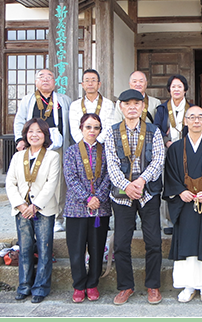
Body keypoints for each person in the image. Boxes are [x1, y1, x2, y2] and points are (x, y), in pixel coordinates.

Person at [104, 89, 165, 305]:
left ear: (142, 107)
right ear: (121, 107)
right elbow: (111, 165)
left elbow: (158, 160)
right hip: (122, 196)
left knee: (154, 242)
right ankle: (125, 286)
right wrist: (127, 186)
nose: (132, 107)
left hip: (148, 193)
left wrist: (140, 182)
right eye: (127, 103)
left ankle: (153, 286)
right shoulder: (111, 132)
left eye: (136, 104)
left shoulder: (153, 131)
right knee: (121, 243)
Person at [163, 106, 202, 303]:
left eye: (200, 117)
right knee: (187, 243)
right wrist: (180, 191)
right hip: (185, 204)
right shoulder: (175, 148)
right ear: (185, 121)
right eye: (192, 117)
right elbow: (170, 175)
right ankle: (188, 285)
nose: (196, 121)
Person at [5, 118, 61, 304]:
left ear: (45, 135)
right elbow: (10, 183)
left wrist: (35, 206)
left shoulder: (52, 157)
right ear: (25, 134)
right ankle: (24, 286)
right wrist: (21, 205)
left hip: (43, 209)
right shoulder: (18, 157)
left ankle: (41, 287)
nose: (34, 135)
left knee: (44, 248)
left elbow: (51, 184)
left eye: (39, 131)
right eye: (30, 131)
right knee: (25, 248)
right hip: (22, 209)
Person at [13, 69, 72, 232]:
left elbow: (71, 123)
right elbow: (19, 121)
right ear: (36, 82)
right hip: (34, 145)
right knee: (33, 179)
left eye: (49, 77)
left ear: (55, 82)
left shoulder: (64, 100)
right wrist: (20, 139)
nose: (45, 80)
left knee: (59, 182)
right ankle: (31, 212)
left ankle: (58, 218)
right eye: (41, 77)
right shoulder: (28, 100)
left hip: (58, 145)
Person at [63, 113, 112, 303]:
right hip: (76, 208)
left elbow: (109, 176)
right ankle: (78, 285)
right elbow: (71, 178)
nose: (92, 131)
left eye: (96, 128)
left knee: (97, 248)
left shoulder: (106, 151)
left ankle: (92, 283)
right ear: (81, 128)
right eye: (88, 127)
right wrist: (87, 197)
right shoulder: (71, 151)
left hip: (100, 208)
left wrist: (98, 197)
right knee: (76, 250)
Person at [154, 75, 193, 234]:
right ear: (169, 89)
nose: (176, 89)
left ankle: (185, 218)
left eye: (180, 86)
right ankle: (167, 222)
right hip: (167, 150)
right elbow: (156, 129)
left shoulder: (191, 108)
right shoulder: (162, 109)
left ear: (185, 89)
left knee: (186, 183)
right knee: (168, 184)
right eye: (173, 86)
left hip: (186, 151)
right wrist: (166, 140)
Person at [69, 69, 115, 144]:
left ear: (99, 84)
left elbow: (109, 127)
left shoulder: (108, 104)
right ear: (83, 85)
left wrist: (97, 143)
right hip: (81, 145)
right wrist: (85, 143)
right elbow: (74, 129)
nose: (90, 83)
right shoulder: (75, 105)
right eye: (87, 81)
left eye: (93, 80)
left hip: (103, 145)